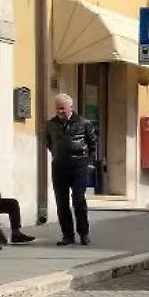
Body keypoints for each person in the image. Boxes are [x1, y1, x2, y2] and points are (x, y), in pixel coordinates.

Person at [46, 93, 96, 246]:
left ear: (70, 107)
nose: (60, 111)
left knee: (78, 200)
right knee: (61, 202)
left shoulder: (84, 123)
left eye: (62, 108)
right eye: (57, 108)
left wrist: (87, 161)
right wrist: (58, 155)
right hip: (59, 167)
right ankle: (67, 235)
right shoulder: (50, 124)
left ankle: (84, 233)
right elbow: (49, 143)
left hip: (79, 166)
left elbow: (92, 144)